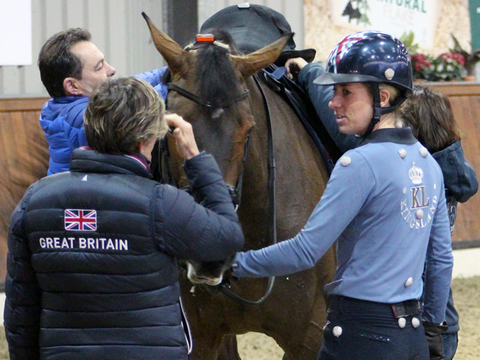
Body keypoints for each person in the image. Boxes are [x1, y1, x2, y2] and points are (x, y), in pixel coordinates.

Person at [232, 31, 453, 360]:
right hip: (413, 336)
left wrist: (232, 263)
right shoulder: (428, 163)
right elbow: (440, 260)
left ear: (384, 95)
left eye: (346, 92)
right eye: (334, 91)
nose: (334, 102)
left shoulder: (359, 163)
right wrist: (434, 328)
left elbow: (305, 251)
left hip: (361, 336)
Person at [4, 77, 244, 360]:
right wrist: (195, 159)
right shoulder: (161, 202)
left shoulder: (35, 200)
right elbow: (227, 239)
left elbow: (20, 310)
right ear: (144, 140)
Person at [400, 84, 478, 360]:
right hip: (441, 316)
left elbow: (436, 260)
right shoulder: (449, 169)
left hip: (424, 320)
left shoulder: (422, 178)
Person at [37, 28, 168, 175]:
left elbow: (130, 88)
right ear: (73, 86)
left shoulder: (61, 106)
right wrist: (173, 86)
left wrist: (170, 70)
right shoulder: (78, 118)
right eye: (99, 67)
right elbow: (129, 108)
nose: (112, 69)